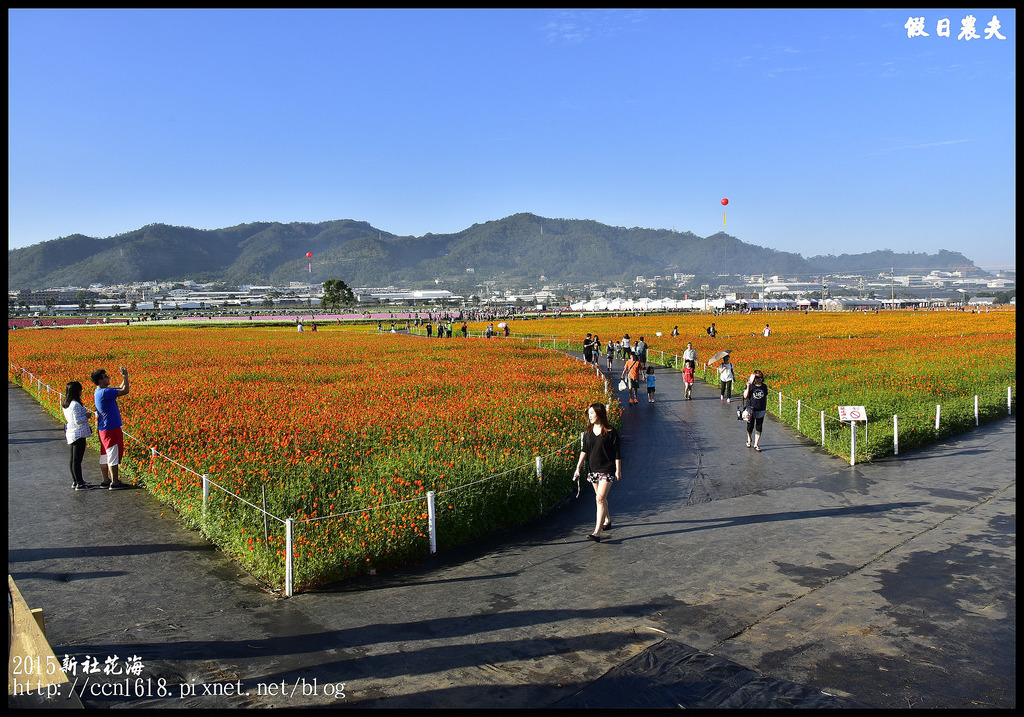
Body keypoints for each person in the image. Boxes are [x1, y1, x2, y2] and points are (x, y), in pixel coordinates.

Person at [572, 403, 621, 543]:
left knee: (599, 499)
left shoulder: (610, 431)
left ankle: (597, 532)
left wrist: (618, 470)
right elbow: (584, 451)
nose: (590, 416)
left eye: (592, 413)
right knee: (601, 498)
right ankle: (607, 520)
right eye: (589, 414)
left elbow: (617, 452)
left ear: (599, 413)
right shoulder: (588, 432)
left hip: (608, 469)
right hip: (593, 469)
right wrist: (578, 467)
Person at [90, 366, 130, 489]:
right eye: (105, 377)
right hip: (111, 428)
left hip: (103, 429)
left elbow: (120, 388)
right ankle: (115, 482)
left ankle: (106, 480)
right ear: (100, 381)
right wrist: (126, 376)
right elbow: (125, 391)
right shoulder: (106, 392)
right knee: (113, 455)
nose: (108, 378)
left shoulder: (100, 391)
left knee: (104, 455)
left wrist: (124, 377)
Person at [62, 381, 95, 490]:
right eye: (80, 389)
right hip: (78, 434)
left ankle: (75, 481)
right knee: (77, 460)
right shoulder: (75, 404)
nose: (82, 391)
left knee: (73, 459)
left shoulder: (67, 403)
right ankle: (80, 483)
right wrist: (87, 416)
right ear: (77, 391)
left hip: (72, 433)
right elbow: (77, 421)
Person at [743, 370, 770, 451]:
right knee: (750, 426)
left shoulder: (764, 386)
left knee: (759, 426)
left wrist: (765, 407)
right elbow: (745, 396)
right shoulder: (751, 386)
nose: (758, 379)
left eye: (760, 377)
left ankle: (756, 444)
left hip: (761, 409)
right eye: (756, 377)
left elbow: (765, 397)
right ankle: (749, 438)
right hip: (750, 409)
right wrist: (748, 386)